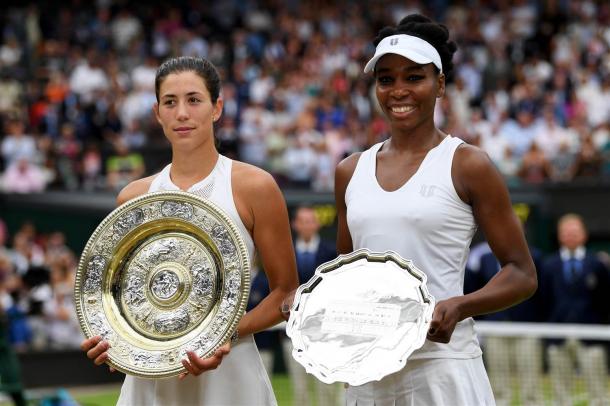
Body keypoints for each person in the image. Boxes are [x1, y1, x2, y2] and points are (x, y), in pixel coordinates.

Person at [334, 14, 537, 405]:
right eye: (386, 79)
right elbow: (347, 275)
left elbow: (522, 274)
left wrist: (460, 306)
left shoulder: (468, 164)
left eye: (414, 77)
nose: (398, 91)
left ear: (440, 84)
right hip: (369, 370)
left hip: (444, 369)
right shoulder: (349, 170)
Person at [80, 56, 298, 406]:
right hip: (149, 383)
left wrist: (222, 334)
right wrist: (112, 343)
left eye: (194, 100)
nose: (182, 113)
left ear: (217, 108)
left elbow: (286, 293)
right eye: (170, 102)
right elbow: (122, 301)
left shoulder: (255, 186)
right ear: (157, 113)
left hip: (230, 376)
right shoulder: (133, 197)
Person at [541, 213, 609, 406]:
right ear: (560, 236)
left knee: (597, 391)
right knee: (561, 392)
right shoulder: (548, 265)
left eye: (575, 231)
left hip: (591, 336)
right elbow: (544, 299)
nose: (571, 235)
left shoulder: (597, 264)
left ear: (584, 235)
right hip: (558, 335)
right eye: (566, 232)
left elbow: (605, 299)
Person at [281, 204, 341, 406]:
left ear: (317, 224)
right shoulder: (285, 253)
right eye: (303, 221)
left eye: (311, 220)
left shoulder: (332, 252)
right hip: (292, 329)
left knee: (328, 388)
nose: (307, 225)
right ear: (295, 224)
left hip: (326, 331)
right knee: (300, 389)